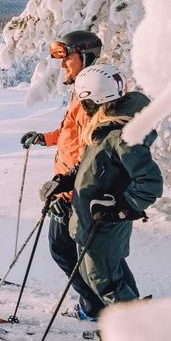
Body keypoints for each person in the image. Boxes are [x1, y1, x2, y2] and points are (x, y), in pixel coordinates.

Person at [43, 63, 163, 310]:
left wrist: (120, 209)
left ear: (92, 100)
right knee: (96, 278)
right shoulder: (104, 128)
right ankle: (130, 327)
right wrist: (65, 180)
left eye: (83, 100)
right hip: (90, 221)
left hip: (104, 225)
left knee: (105, 283)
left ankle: (138, 338)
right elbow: (93, 166)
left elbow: (150, 182)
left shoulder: (120, 134)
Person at [20, 30, 105, 320]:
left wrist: (65, 188)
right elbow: (71, 133)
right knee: (71, 251)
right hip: (69, 187)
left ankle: (95, 306)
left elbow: (91, 148)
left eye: (66, 58)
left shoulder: (91, 97)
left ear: (84, 56)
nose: (62, 65)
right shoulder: (82, 92)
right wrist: (45, 138)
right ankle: (95, 303)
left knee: (62, 249)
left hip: (74, 190)